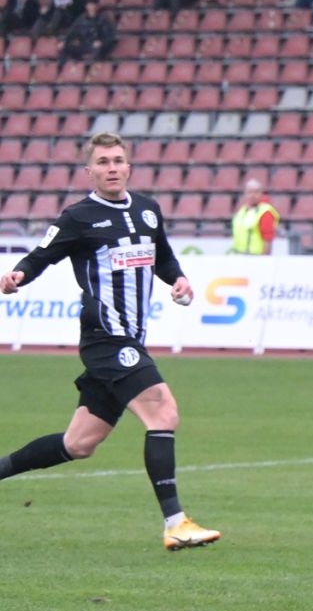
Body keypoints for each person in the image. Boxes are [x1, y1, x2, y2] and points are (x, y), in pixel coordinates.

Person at [0, 133, 221, 551]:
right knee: (163, 410)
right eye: (103, 162)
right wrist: (17, 276)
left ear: (129, 166)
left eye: (118, 160)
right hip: (106, 337)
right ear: (90, 171)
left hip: (131, 338)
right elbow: (41, 255)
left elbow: (164, 256)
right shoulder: (78, 217)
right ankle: (175, 522)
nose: (112, 167)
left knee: (78, 444)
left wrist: (179, 280)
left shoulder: (148, 210)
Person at [229, 178, 281, 254]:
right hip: (238, 257)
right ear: (245, 193)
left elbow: (267, 240)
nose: (252, 195)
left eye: (256, 192)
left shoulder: (265, 212)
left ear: (261, 194)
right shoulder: (242, 211)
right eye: (250, 192)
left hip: (255, 259)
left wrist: (264, 261)